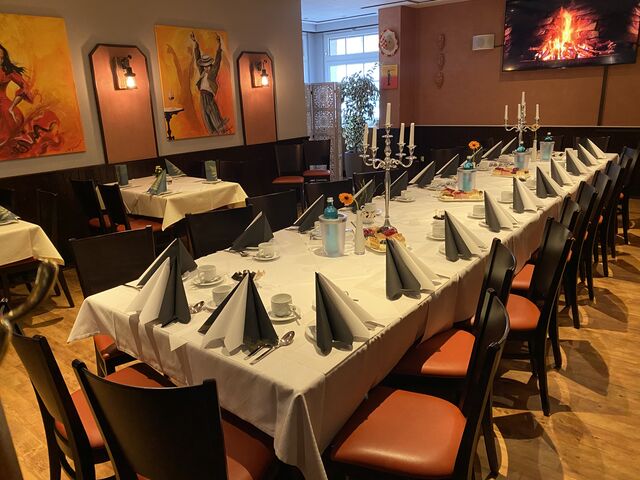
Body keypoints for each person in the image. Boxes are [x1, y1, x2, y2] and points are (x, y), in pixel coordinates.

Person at [190, 32, 229, 135]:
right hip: (202, 97)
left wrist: (219, 45)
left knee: (214, 117)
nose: (206, 68)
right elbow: (197, 58)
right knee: (206, 119)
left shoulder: (213, 72)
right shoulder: (202, 72)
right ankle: (213, 134)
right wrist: (195, 43)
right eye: (204, 66)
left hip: (209, 97)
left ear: (210, 65)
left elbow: (218, 60)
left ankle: (222, 132)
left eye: (207, 66)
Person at [0, 43, 33, 147]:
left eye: (1, 58)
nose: (0, 61)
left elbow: (24, 87)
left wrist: (12, 107)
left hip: (3, 106)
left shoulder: (7, 72)